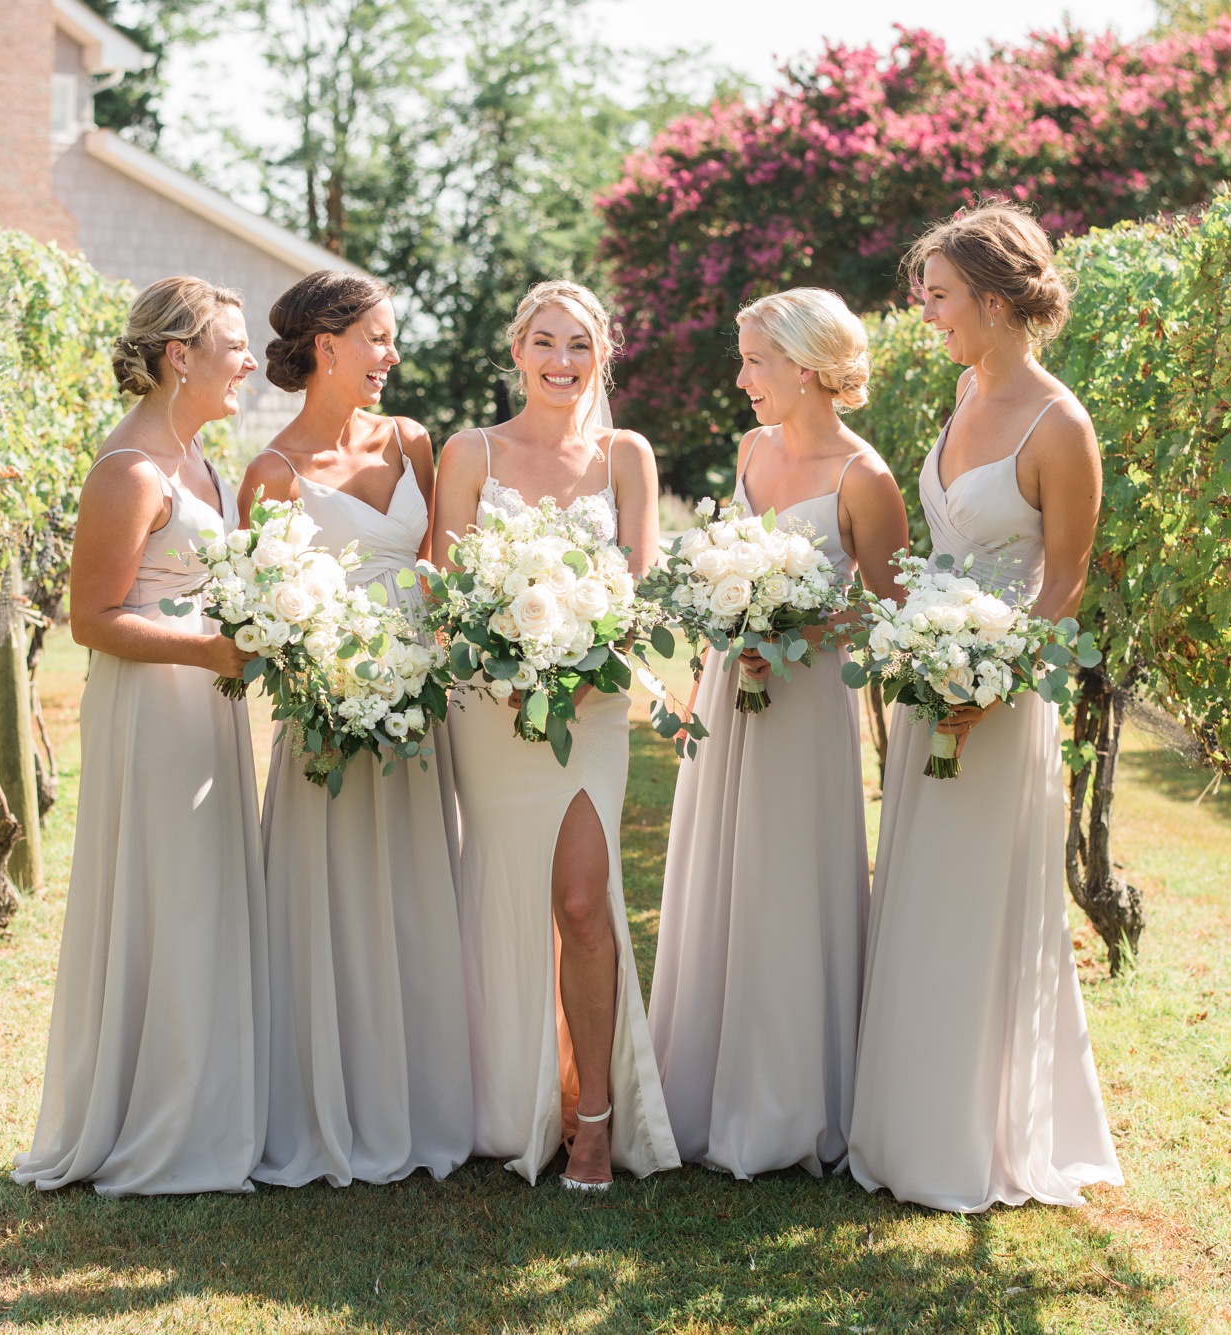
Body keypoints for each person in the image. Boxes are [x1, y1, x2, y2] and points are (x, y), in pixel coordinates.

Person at [849, 204, 1124, 1209]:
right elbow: (938, 556)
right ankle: (902, 1121)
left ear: (996, 299)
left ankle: (972, 1139)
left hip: (1003, 701)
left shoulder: (1062, 425)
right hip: (932, 684)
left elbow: (1062, 584)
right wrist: (924, 662)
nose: (927, 315)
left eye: (938, 297)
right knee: (918, 894)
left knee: (977, 901)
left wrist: (993, 683)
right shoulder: (963, 393)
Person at [13, 276, 268, 1196]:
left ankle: (207, 1100)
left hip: (208, 697)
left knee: (206, 893)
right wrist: (213, 648)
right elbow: (92, 616)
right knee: (170, 894)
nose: (247, 361)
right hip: (157, 704)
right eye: (233, 344)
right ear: (180, 357)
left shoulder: (200, 461)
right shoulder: (130, 471)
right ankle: (156, 1119)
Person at [650, 289, 909, 1178]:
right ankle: (709, 1086)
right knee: (720, 871)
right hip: (733, 688)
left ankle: (790, 1102)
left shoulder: (864, 477)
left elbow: (891, 615)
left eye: (754, 360)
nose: (742, 377)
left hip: (805, 705)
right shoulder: (751, 449)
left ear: (804, 365)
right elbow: (731, 555)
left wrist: (797, 634)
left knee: (788, 882)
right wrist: (723, 643)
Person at [431, 280, 680, 1190]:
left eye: (579, 345)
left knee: (582, 900)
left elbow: (643, 586)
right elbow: (446, 586)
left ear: (602, 354)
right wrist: (496, 659)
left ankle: (593, 1119)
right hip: (489, 710)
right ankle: (509, 1101)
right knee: (506, 898)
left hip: (592, 706)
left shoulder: (626, 455)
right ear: (517, 349)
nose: (561, 361)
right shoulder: (471, 452)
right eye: (545, 342)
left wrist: (589, 648)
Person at [241, 271, 472, 1188]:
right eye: (378, 337)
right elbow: (260, 616)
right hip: (326, 716)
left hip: (416, 706)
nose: (392, 355)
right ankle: (328, 1106)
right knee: (329, 897)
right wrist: (327, 686)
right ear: (327, 348)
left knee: (419, 892)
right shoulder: (271, 473)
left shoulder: (414, 443)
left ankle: (425, 1103)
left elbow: (439, 573)